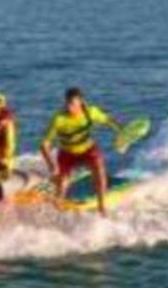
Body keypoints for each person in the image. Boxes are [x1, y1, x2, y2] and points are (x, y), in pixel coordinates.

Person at [40, 87, 122, 216]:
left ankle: (102, 207)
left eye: (72, 104)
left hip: (88, 150)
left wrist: (121, 131)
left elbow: (108, 120)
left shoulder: (91, 112)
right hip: (67, 153)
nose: (69, 107)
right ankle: (57, 210)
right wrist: (52, 166)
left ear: (81, 102)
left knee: (99, 170)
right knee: (62, 185)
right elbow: (44, 145)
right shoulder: (59, 119)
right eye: (67, 103)